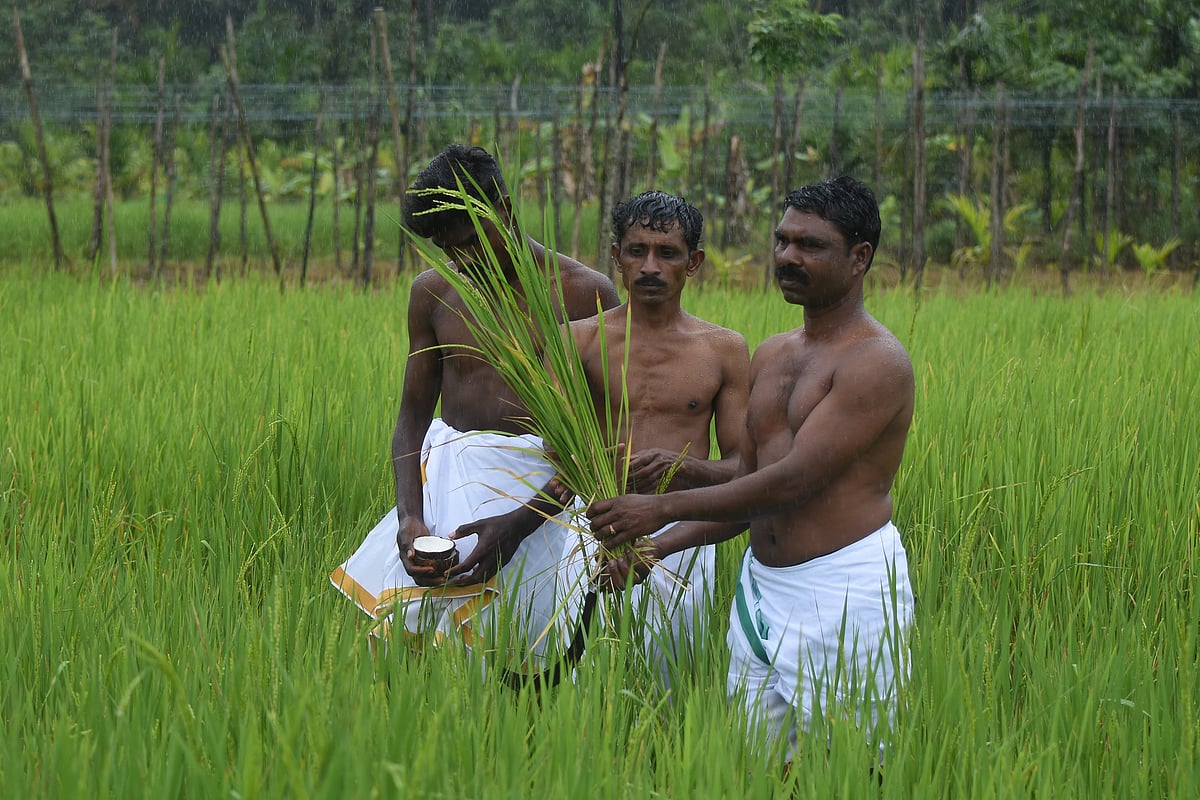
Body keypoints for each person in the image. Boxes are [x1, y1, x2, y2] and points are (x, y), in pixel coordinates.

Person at [587, 176, 916, 760]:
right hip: (762, 587)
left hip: (843, 588)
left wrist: (660, 507)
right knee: (757, 765)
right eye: (783, 241)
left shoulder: (876, 362)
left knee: (852, 769)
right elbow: (745, 491)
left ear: (860, 257)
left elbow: (789, 484)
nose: (788, 257)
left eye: (810, 246)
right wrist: (658, 548)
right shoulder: (774, 354)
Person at [331, 144, 620, 655]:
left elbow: (600, 435)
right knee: (419, 654)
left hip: (547, 501)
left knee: (527, 658)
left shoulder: (584, 294)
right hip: (447, 490)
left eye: (469, 240)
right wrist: (410, 520)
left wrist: (522, 523)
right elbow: (412, 418)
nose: (462, 259)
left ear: (504, 210)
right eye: (448, 249)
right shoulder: (434, 294)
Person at [570, 190, 749, 682]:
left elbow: (743, 469)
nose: (650, 266)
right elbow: (550, 446)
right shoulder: (579, 340)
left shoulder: (723, 350)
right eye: (637, 251)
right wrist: (591, 468)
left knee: (670, 688)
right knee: (583, 685)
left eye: (666, 253)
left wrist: (681, 464)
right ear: (616, 258)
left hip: (681, 538)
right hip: (587, 532)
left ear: (693, 263)